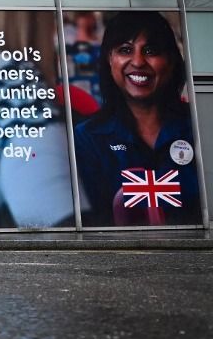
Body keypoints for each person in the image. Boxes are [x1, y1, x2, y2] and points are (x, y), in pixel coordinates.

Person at [74, 12, 200, 227]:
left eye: (151, 51)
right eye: (125, 50)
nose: (138, 61)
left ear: (170, 61)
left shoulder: (199, 125)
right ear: (109, 60)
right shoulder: (87, 138)